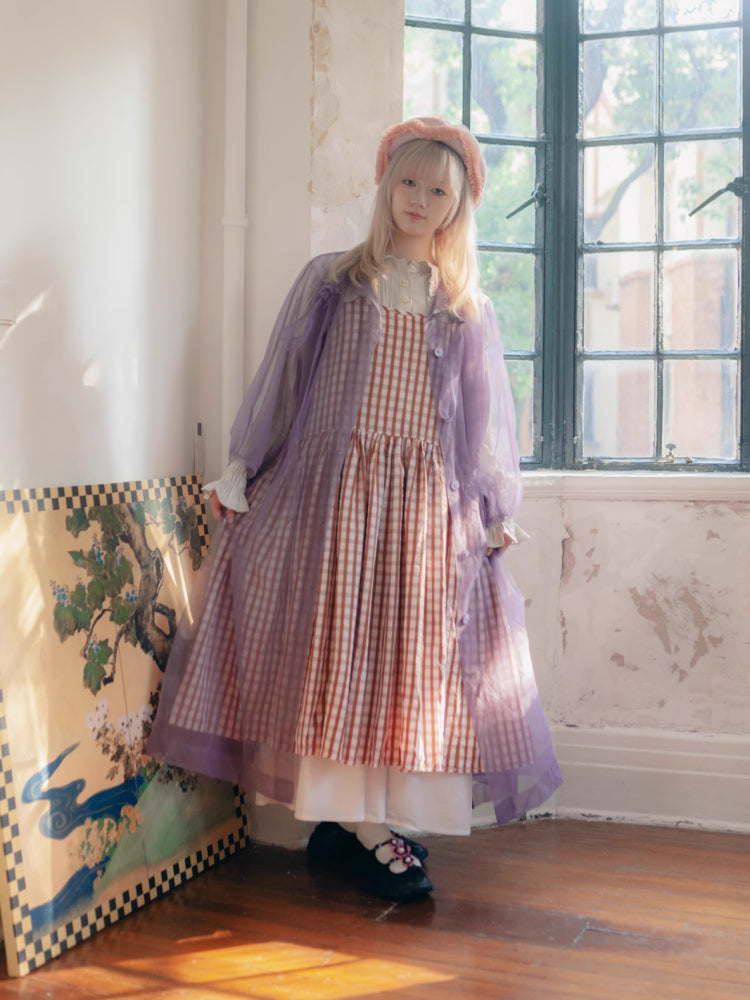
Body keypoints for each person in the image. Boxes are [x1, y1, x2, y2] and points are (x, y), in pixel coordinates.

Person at [148, 117, 561, 902]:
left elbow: (483, 421)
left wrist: (493, 505)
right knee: (338, 653)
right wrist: (242, 468)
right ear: (385, 184)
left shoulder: (463, 307)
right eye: (408, 181)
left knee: (404, 661)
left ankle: (361, 822)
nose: (418, 199)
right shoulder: (335, 283)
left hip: (423, 509)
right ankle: (360, 824)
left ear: (457, 208)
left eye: (437, 191)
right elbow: (284, 380)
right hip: (337, 499)